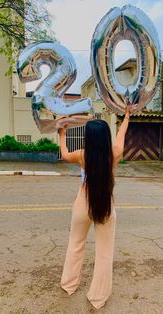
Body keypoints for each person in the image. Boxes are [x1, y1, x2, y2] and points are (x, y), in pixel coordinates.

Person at [58, 103, 138, 309]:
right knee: (104, 252)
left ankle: (69, 284)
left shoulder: (82, 155)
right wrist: (127, 115)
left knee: (76, 243)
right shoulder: (114, 153)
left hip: (83, 203)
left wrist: (62, 133)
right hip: (106, 205)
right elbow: (122, 134)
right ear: (105, 137)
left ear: (88, 139)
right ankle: (98, 297)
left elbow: (65, 155)